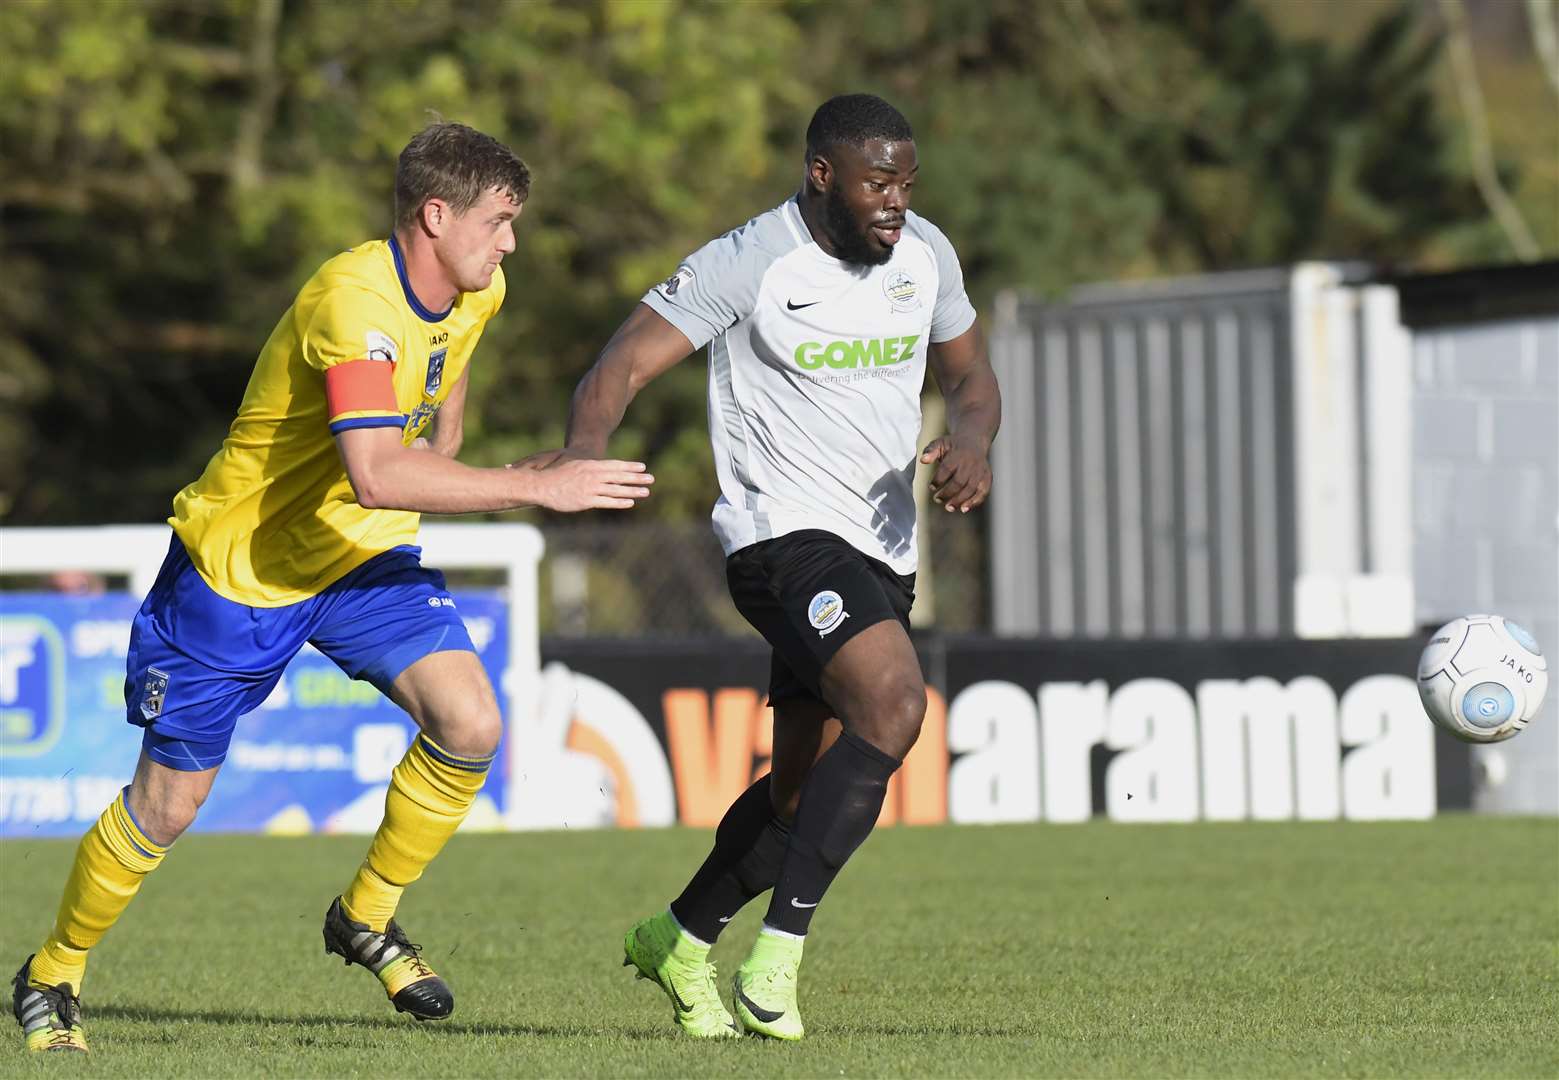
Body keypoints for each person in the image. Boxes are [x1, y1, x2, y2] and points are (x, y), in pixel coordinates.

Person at [10, 121, 654, 1054]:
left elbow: (445, 380)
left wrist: (455, 457)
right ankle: (54, 971)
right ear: (436, 215)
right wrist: (534, 486)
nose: (511, 241)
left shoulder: (480, 286)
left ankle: (364, 917)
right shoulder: (350, 303)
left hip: (358, 560)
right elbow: (377, 475)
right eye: (499, 220)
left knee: (470, 722)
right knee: (170, 805)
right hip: (242, 572)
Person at [566, 94, 1000, 1040]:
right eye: (878, 182)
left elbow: (969, 376)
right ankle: (778, 961)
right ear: (821, 176)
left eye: (906, 182)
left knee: (798, 793)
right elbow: (619, 367)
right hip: (780, 536)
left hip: (882, 545)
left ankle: (677, 940)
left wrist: (971, 440)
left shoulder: (925, 253)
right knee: (893, 707)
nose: (897, 201)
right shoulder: (750, 260)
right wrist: (581, 456)